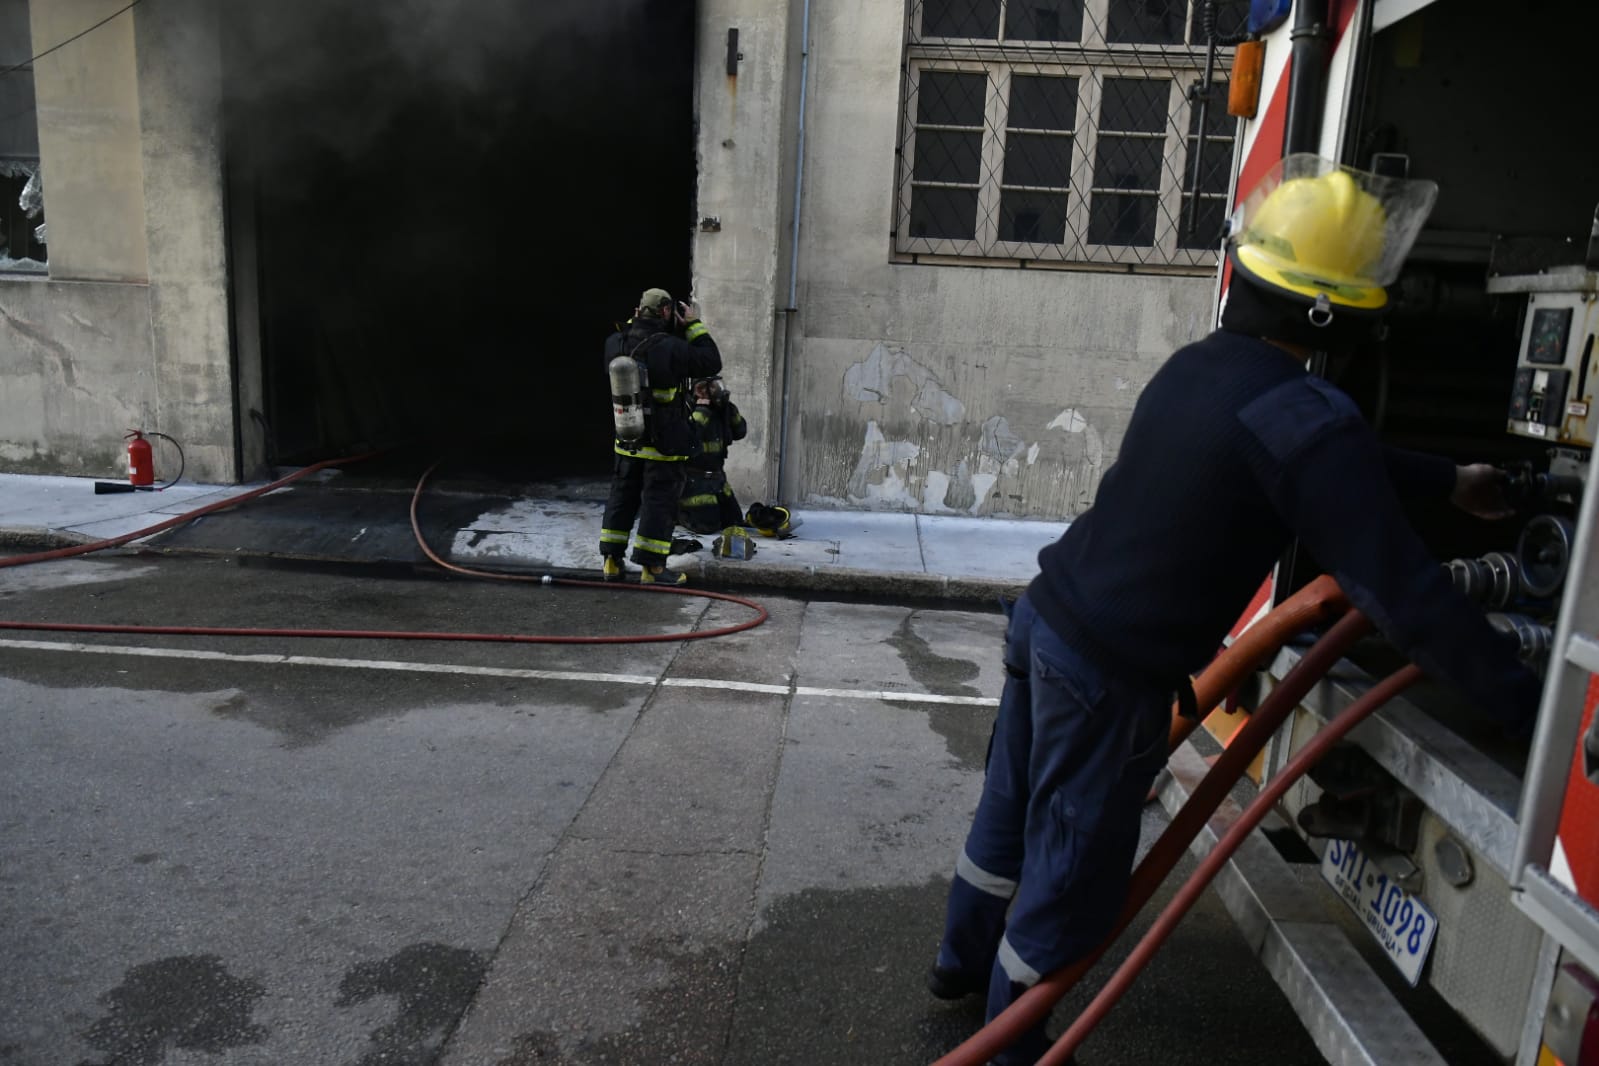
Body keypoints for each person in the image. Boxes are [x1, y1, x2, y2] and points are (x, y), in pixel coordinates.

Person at [929, 154, 1544, 1064]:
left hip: (1046, 618)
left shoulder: (1203, 368)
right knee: (1069, 885)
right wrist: (1536, 711)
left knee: (1006, 827)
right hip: (1105, 677)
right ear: (1333, 309)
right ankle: (1006, 1049)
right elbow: (1407, 598)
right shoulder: (1306, 417)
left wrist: (1448, 482)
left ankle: (956, 969)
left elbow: (1315, 452)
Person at [600, 288, 721, 585]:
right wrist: (692, 325)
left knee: (621, 498)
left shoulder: (615, 342)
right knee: (658, 503)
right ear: (667, 311)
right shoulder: (671, 347)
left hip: (628, 440)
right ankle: (652, 569)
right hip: (663, 444)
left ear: (638, 310)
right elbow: (710, 361)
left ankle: (611, 562)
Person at [679, 376, 750, 542]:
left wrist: (729, 410)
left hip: (717, 478)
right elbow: (688, 438)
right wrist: (701, 411)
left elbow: (740, 432)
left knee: (734, 522)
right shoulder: (686, 408)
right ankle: (679, 512)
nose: (708, 392)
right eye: (702, 388)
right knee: (707, 527)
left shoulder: (721, 410)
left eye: (714, 386)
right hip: (693, 480)